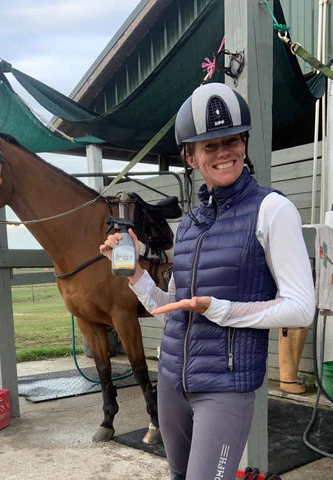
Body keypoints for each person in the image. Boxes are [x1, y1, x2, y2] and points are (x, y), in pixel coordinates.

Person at [100, 82, 315, 480]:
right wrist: (136, 276)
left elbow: (301, 307)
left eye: (231, 140)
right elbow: (175, 312)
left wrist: (220, 310)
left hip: (225, 387)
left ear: (244, 144)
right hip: (172, 380)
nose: (223, 153)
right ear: (191, 156)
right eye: (209, 146)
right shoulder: (190, 225)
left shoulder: (272, 210)